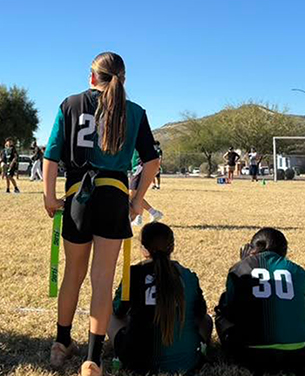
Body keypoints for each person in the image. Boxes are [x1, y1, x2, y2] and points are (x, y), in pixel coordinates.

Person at [43, 51, 160, 376]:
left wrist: (48, 195)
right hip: (112, 196)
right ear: (123, 78)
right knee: (102, 280)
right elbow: (152, 161)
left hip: (77, 196)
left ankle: (61, 343)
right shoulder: (133, 110)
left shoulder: (70, 103)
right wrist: (137, 199)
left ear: (92, 77)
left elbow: (51, 156)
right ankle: (92, 358)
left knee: (72, 275)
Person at [215, 227, 305, 375]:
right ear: (284, 251)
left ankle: (230, 354)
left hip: (247, 357)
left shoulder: (239, 268)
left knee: (220, 318)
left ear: (251, 248)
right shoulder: (298, 271)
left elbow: (228, 311)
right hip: (298, 358)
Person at [109, 222, 211, 374]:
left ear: (143, 249)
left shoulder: (133, 273)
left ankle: (122, 352)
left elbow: (118, 311)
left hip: (136, 361)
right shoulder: (187, 275)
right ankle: (196, 347)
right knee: (207, 320)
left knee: (110, 317)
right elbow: (200, 313)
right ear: (173, 247)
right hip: (185, 361)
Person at [129, 149, 164, 227]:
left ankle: (153, 213)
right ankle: (139, 218)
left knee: (132, 194)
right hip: (136, 165)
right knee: (137, 194)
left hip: (139, 166)